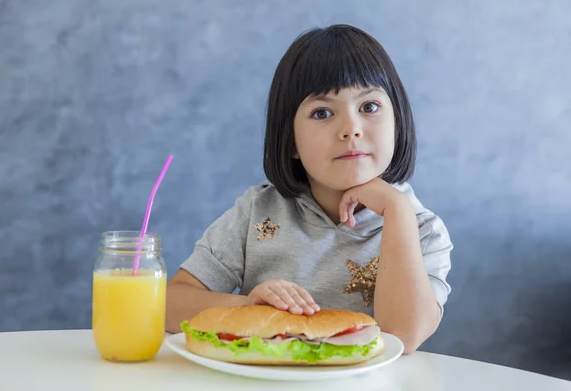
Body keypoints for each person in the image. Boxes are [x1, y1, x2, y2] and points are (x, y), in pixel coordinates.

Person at [165, 24, 452, 354]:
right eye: (322, 112)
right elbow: (169, 305)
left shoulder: (422, 230)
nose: (351, 129)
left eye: (369, 107)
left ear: (398, 122)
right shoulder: (257, 213)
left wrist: (396, 208)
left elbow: (400, 336)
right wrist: (248, 306)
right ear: (291, 143)